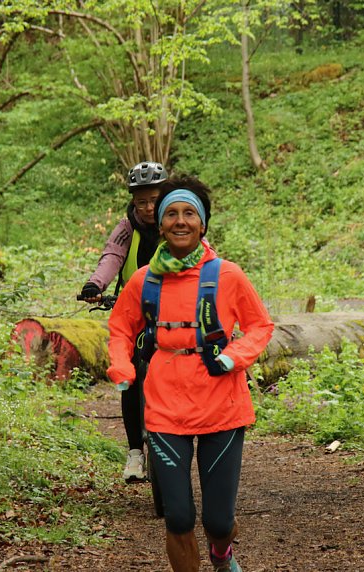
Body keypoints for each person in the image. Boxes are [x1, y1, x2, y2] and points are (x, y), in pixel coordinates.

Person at [106, 177, 274, 572]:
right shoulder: (143, 279)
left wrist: (235, 357)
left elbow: (260, 326)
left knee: (218, 521)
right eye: (171, 214)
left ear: (202, 224)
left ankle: (222, 552)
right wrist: (122, 364)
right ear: (159, 225)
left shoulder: (228, 275)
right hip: (164, 405)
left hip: (223, 403)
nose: (180, 222)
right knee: (178, 517)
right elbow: (120, 328)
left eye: (189, 214)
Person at [80, 161, 167, 482]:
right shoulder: (127, 226)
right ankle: (134, 453)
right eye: (140, 201)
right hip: (133, 310)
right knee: (130, 376)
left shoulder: (176, 218)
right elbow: (112, 257)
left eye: (154, 199)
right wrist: (95, 285)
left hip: (174, 310)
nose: (147, 207)